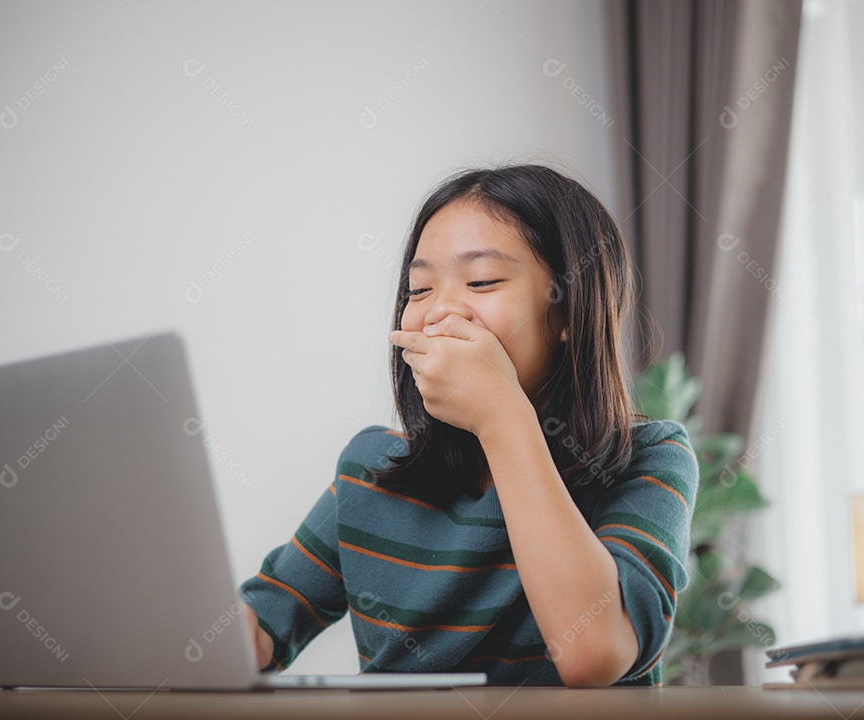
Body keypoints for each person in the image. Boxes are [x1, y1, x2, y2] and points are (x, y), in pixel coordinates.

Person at [239, 164, 698, 687]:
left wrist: (502, 417)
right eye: (418, 289)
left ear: (569, 309)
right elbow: (261, 631)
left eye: (481, 281)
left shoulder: (648, 458)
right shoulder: (370, 469)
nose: (439, 311)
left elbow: (594, 653)